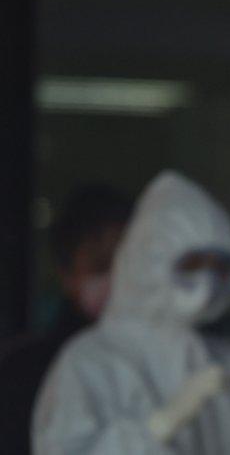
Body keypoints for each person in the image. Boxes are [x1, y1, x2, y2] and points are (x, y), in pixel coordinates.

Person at [32, 171, 230, 454]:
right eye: (192, 264)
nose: (207, 281)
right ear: (147, 259)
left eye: (220, 267)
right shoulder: (90, 362)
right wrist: (157, 429)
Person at [0, 184, 132, 455]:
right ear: (66, 273)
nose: (117, 279)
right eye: (100, 265)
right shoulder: (23, 372)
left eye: (128, 263)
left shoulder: (184, 358)